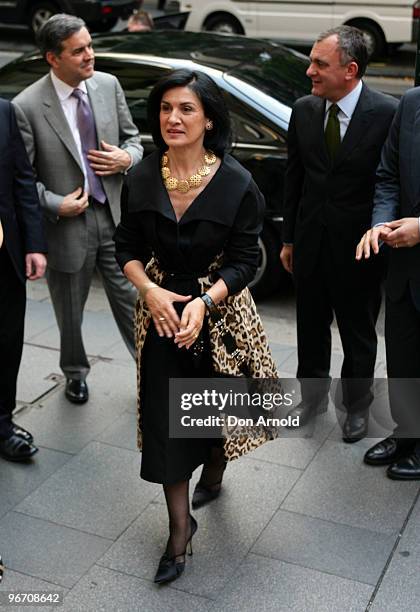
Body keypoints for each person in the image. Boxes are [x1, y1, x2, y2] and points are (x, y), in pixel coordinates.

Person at [114, 68, 278, 583]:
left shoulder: (236, 182)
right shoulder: (141, 176)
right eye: (165, 108)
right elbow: (127, 248)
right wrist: (150, 290)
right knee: (169, 426)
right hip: (162, 314)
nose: (173, 118)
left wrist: (205, 302)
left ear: (209, 118)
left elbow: (246, 259)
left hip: (220, 315)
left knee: (214, 420)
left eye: (186, 108)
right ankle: (179, 534)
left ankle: (215, 468)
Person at [12, 14, 143, 405]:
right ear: (53, 58)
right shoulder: (26, 106)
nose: (90, 55)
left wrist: (126, 158)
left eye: (90, 45)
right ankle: (75, 373)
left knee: (135, 303)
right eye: (79, 50)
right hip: (67, 225)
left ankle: (151, 371)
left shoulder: (108, 85)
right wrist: (56, 203)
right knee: (70, 310)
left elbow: (134, 140)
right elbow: (22, 181)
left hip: (115, 219)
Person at [280, 26, 397, 442]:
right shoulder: (304, 109)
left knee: (358, 333)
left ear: (350, 69)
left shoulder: (386, 113)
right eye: (312, 61)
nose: (309, 71)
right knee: (310, 327)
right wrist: (289, 238)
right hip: (310, 242)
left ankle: (356, 408)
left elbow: (392, 181)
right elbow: (294, 178)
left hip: (360, 249)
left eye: (319, 64)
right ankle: (311, 401)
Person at [356, 87, 420, 480]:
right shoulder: (411, 103)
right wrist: (382, 223)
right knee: (403, 360)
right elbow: (388, 176)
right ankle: (407, 432)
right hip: (405, 269)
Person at [0, 99, 47, 462]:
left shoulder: (4, 111)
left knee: (7, 338)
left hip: (6, 253)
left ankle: (2, 423)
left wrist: (34, 244)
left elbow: (22, 179)